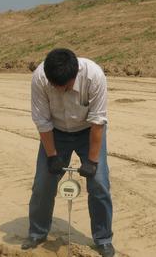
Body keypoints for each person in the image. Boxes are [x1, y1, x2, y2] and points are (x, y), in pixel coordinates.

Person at [22, 48, 114, 257]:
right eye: (56, 87)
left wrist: (91, 162)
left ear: (75, 75)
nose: (60, 90)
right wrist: (52, 156)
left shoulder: (94, 76)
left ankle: (103, 239)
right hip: (56, 132)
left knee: (99, 183)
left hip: (88, 131)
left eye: (66, 86)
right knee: (43, 183)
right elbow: (42, 121)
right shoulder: (40, 78)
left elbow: (98, 122)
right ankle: (37, 232)